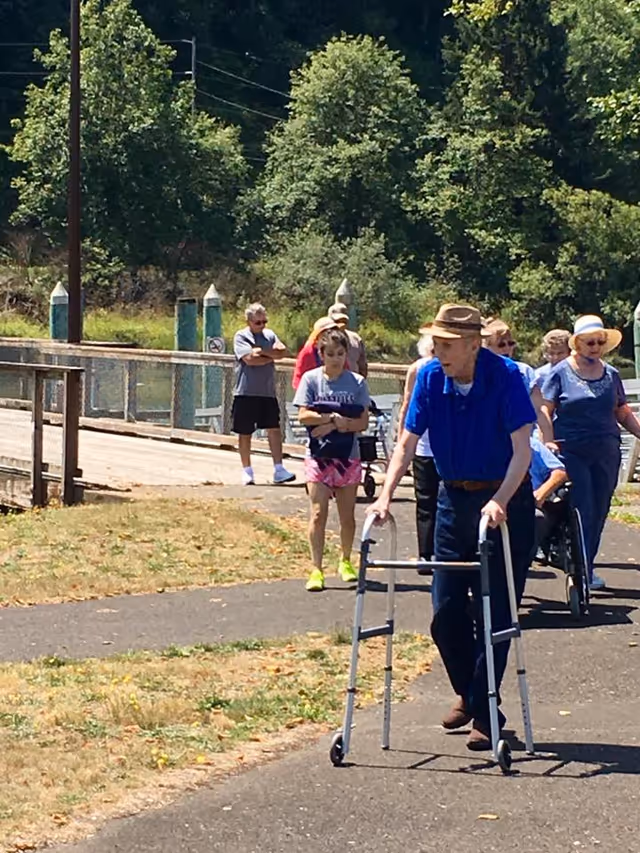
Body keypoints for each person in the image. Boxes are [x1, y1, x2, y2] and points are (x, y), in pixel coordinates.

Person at [368, 303, 536, 751]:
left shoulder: (504, 377)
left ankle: (482, 709)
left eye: (446, 344)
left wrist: (500, 500)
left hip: (504, 499)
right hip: (452, 497)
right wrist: (385, 494)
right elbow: (407, 442)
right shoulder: (428, 377)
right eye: (435, 343)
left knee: (496, 611)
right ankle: (474, 694)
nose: (437, 351)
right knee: (444, 612)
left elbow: (523, 451)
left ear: (472, 344)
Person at [541, 314, 640, 590]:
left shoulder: (611, 374)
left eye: (599, 342)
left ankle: (587, 566)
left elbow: (622, 411)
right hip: (572, 450)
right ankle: (578, 568)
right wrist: (547, 440)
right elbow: (545, 410)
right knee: (582, 505)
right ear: (577, 344)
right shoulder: (560, 372)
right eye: (589, 342)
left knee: (599, 509)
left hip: (606, 451)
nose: (595, 346)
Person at [293, 327, 370, 592]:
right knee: (317, 513)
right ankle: (316, 568)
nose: (336, 359)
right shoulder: (311, 380)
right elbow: (304, 415)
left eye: (340, 353)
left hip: (348, 456)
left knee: (346, 515)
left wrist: (338, 423)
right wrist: (328, 418)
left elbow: (362, 421)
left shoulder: (357, 383)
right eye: (330, 354)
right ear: (321, 354)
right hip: (318, 456)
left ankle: (345, 560)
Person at [232, 303, 297, 486]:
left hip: (268, 392)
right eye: (258, 322)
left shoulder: (270, 335)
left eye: (264, 321)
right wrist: (270, 355)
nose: (262, 325)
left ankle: (279, 469)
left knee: (274, 429)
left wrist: (262, 352)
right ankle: (247, 471)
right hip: (245, 392)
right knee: (244, 432)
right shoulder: (241, 336)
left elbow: (282, 352)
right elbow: (250, 360)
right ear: (249, 321)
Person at [397, 331, 439, 575]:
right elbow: (407, 403)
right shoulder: (418, 368)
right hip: (422, 446)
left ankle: (446, 551)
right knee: (425, 500)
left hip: (449, 447)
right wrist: (402, 438)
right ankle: (425, 553)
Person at [484, 318, 554, 444]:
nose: (507, 348)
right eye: (501, 344)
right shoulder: (478, 374)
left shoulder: (525, 372)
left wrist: (548, 441)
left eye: (510, 343)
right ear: (486, 346)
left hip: (525, 441)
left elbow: (539, 410)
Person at [529, 435, 568, 555]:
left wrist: (540, 494)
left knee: (536, 517)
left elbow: (560, 473)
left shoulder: (532, 445)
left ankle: (520, 566)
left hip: (528, 500)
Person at [292, 317, 337, 390]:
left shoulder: (340, 351)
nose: (330, 334)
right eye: (326, 331)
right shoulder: (308, 352)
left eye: (334, 330)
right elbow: (298, 378)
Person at [327, 302, 368, 377]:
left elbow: (363, 367)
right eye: (337, 321)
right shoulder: (323, 340)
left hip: (352, 385)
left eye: (344, 321)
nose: (341, 324)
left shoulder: (356, 339)